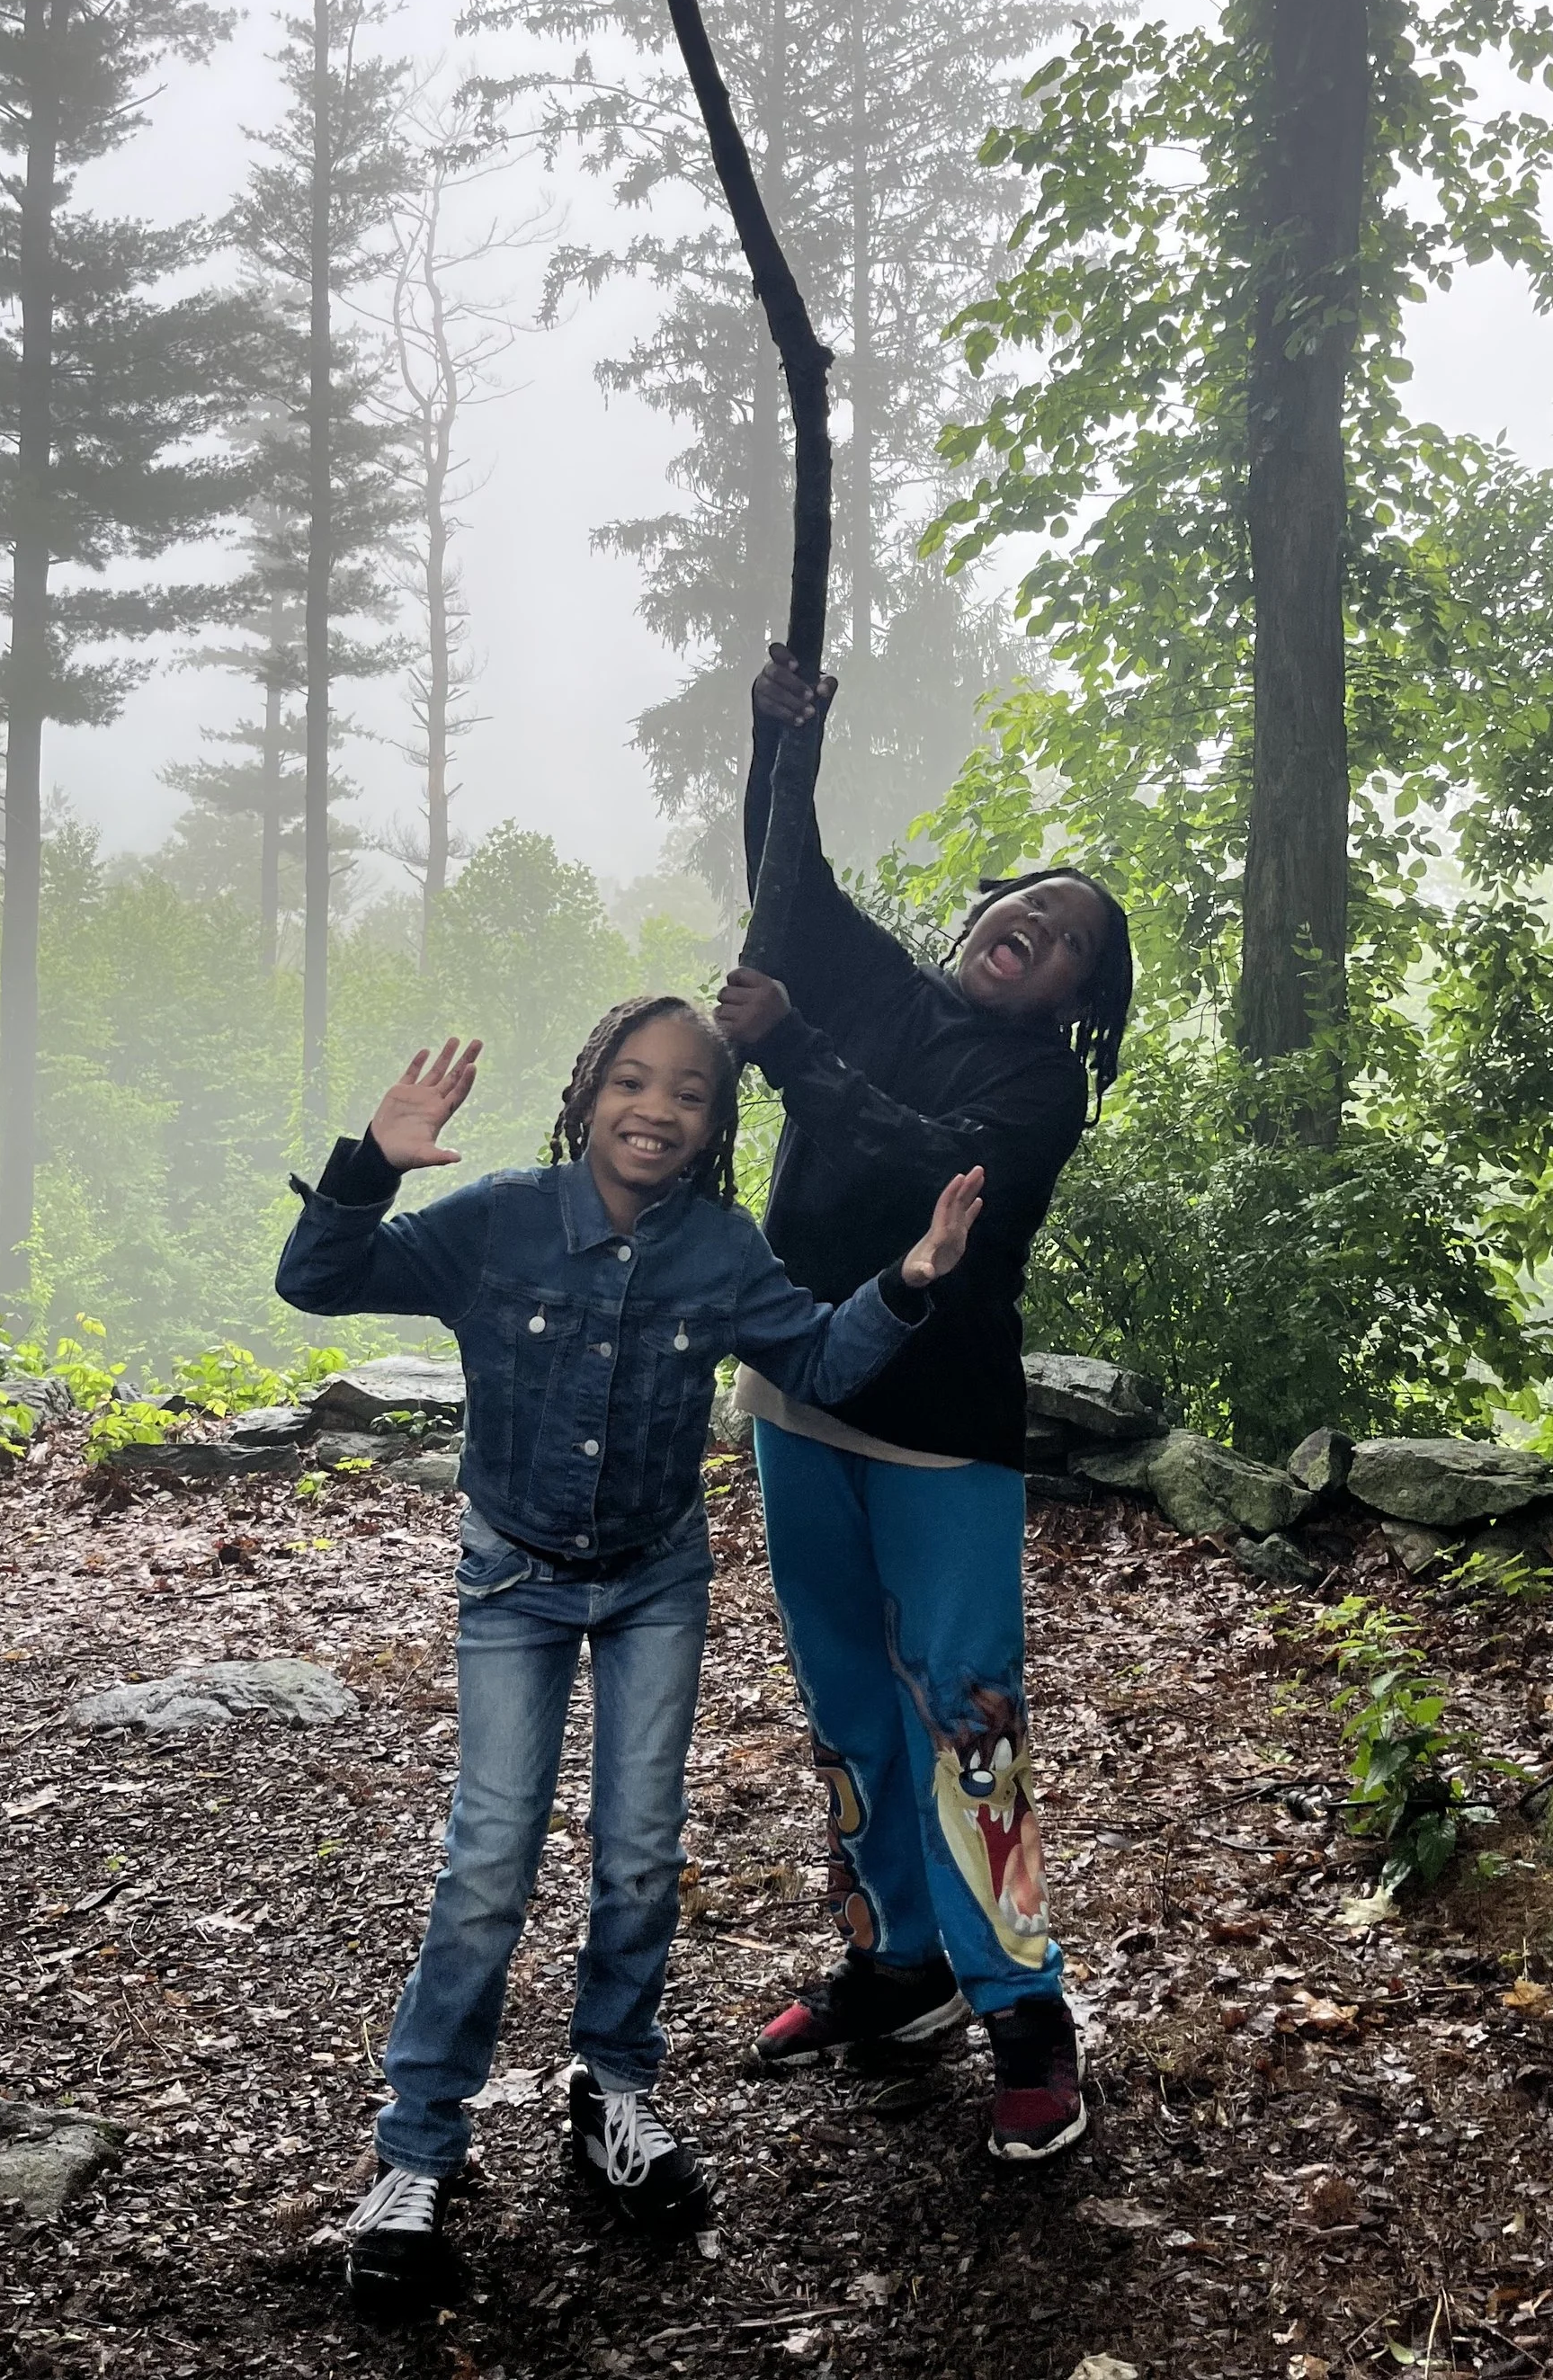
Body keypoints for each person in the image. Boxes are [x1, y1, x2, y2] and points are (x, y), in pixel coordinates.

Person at [273, 997, 984, 2314]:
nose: (658, 1110)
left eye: (692, 1095)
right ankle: (418, 2153)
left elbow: (820, 1359)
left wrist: (912, 1281)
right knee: (488, 1860)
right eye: (634, 1082)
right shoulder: (495, 1221)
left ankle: (614, 2096)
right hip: (515, 1582)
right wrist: (370, 1160)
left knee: (640, 1850)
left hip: (656, 1580)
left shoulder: (722, 1249)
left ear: (716, 1126)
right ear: (589, 1088)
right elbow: (316, 1282)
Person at [715, 646, 1134, 2162]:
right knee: (843, 1707)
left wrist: (791, 1052)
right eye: (1026, 902)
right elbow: (785, 873)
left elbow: (924, 1169)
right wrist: (777, 743)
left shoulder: (1039, 1093)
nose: (1037, 926)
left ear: (1082, 994)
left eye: (1073, 938)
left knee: (967, 1714)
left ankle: (1023, 2009)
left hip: (939, 1432)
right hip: (796, 1400)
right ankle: (896, 1967)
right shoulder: (876, 987)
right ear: (975, 916)